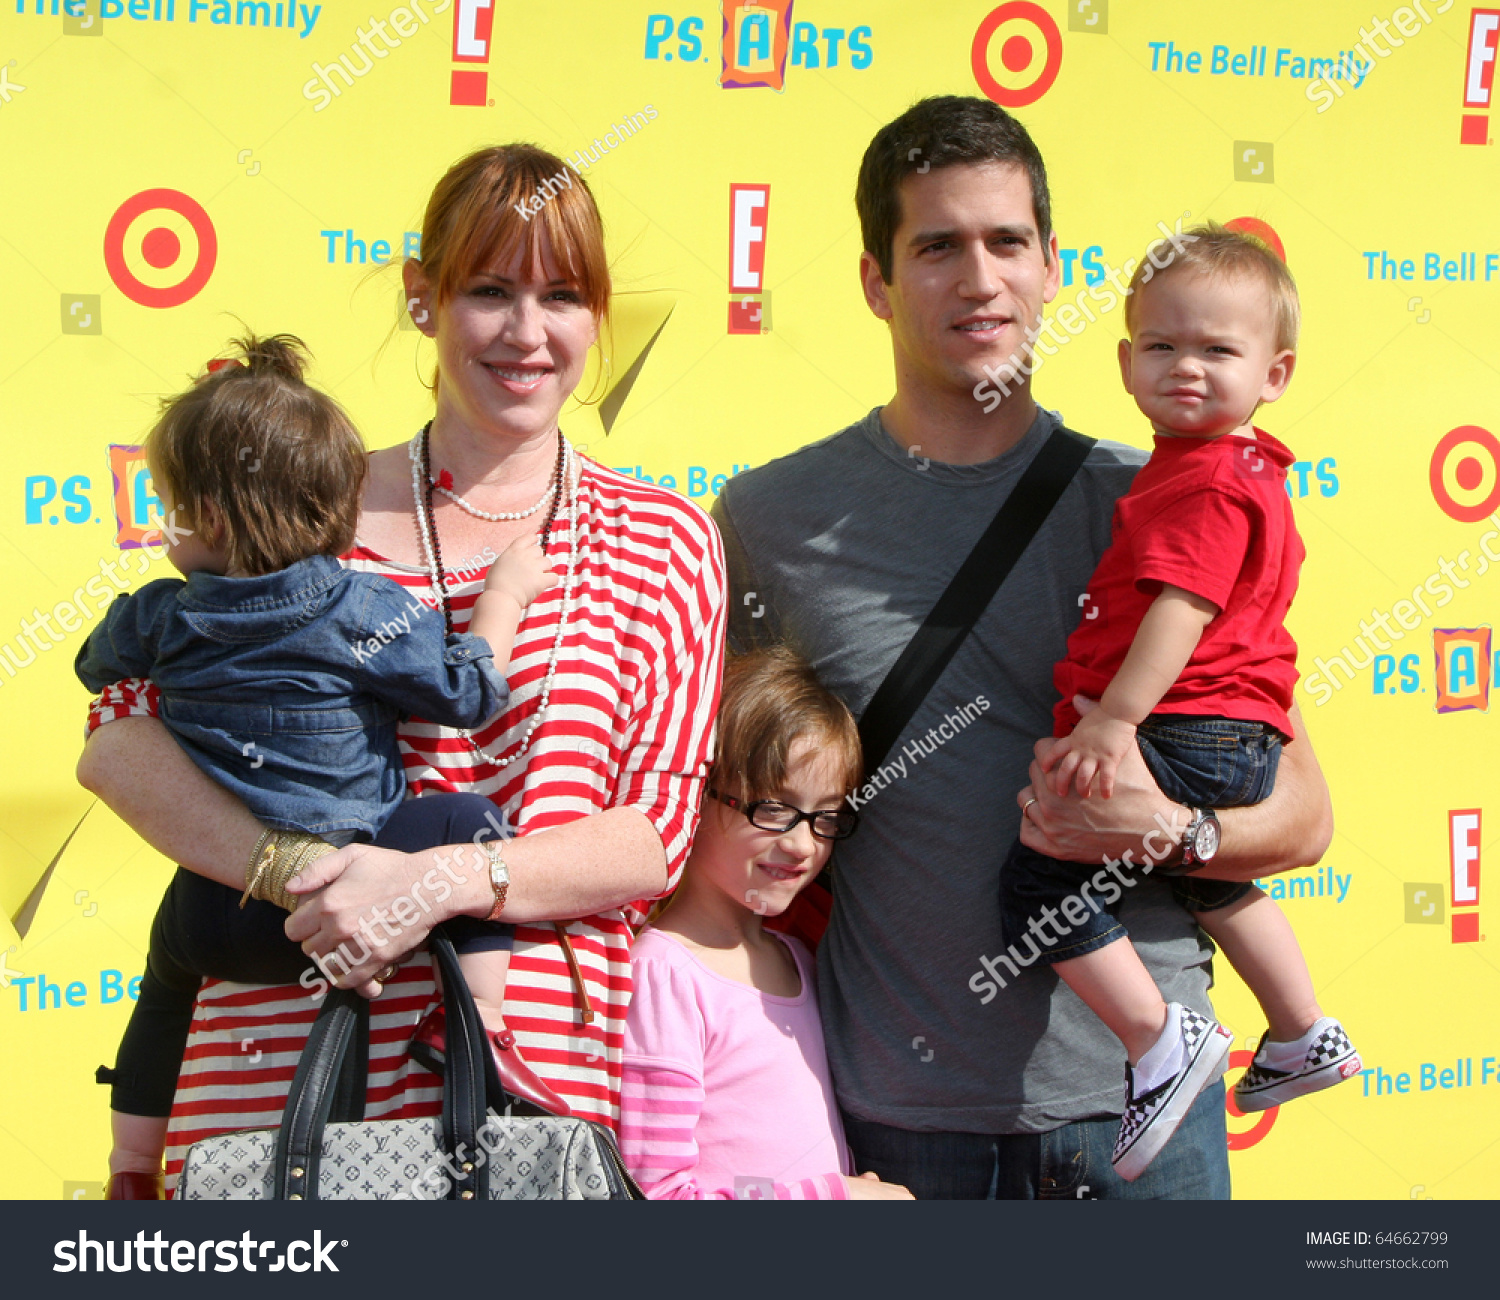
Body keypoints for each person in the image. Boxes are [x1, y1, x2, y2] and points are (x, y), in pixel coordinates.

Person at [712, 95, 1333, 1200]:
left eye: (1008, 242)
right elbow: (724, 820)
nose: (980, 277)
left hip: (1146, 1118)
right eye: (937, 245)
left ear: (1054, 266)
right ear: (876, 280)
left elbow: (1302, 816)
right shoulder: (767, 520)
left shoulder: (1158, 503)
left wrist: (1172, 829)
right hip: (897, 1125)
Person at [76, 143, 726, 1197]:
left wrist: (437, 882)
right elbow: (117, 739)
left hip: (531, 1102)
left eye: (562, 294)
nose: (527, 331)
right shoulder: (301, 510)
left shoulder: (664, 537)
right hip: (273, 1082)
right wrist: (303, 873)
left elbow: (654, 834)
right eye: (488, 290)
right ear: (422, 299)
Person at [77, 333, 556, 1198]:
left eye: (168, 507)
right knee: (469, 823)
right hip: (362, 886)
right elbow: (468, 692)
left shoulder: (157, 617)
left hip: (223, 918)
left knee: (162, 981)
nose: (160, 527)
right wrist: (505, 598)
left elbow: (96, 670)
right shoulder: (360, 606)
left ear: (212, 520)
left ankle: (130, 1162)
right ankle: (478, 1024)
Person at [1000, 226, 1359, 1183]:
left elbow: (1182, 607)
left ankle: (1160, 1042)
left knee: (1038, 882)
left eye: (1217, 350)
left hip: (1182, 725)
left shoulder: (1201, 482)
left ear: (1276, 371)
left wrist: (1114, 719)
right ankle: (1301, 1028)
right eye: (1162, 347)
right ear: (1124, 362)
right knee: (1210, 880)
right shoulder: (1244, 470)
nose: (1186, 369)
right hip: (1234, 732)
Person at [618, 648, 912, 1200]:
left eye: (826, 817)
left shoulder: (797, 959)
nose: (802, 844)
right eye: (773, 808)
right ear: (698, 792)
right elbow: (655, 1194)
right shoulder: (663, 977)